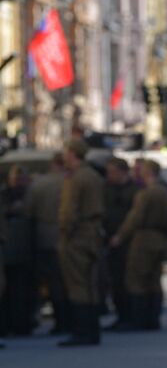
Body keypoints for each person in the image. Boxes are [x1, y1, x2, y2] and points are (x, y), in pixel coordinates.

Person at [109, 160, 167, 331]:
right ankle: (153, 318)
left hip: (143, 240)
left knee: (136, 280)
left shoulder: (145, 194)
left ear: (147, 172)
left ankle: (138, 319)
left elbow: (135, 218)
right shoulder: (166, 192)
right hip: (161, 238)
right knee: (154, 280)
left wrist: (119, 236)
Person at [57, 138, 105, 346]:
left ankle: (82, 331)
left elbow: (69, 212)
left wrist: (65, 233)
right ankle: (92, 329)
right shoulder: (93, 175)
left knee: (77, 282)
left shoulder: (75, 178)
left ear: (72, 154)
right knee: (90, 282)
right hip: (93, 232)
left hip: (77, 235)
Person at [25, 154, 66, 335]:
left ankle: (61, 320)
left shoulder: (40, 184)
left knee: (52, 281)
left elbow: (29, 210)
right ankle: (69, 319)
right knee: (67, 280)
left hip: (46, 236)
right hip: (67, 236)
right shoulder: (70, 181)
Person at [102, 157, 138, 331]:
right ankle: (121, 315)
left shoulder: (135, 190)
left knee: (128, 281)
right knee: (116, 281)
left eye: (111, 172)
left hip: (129, 241)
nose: (108, 176)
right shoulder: (106, 189)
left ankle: (131, 316)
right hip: (111, 241)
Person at [0, 166, 34, 338]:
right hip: (10, 250)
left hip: (24, 250)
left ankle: (21, 324)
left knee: (21, 291)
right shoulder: (6, 196)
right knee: (9, 291)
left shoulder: (29, 194)